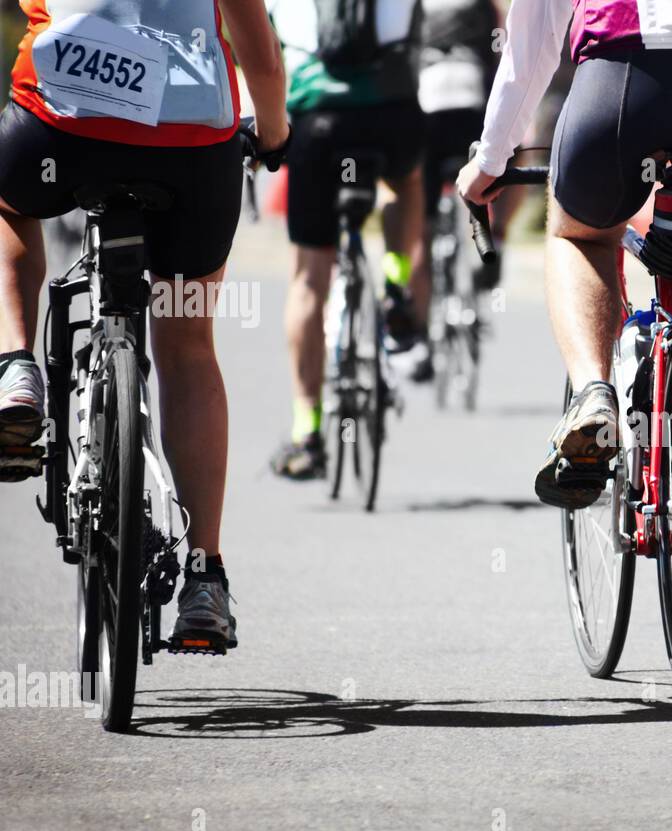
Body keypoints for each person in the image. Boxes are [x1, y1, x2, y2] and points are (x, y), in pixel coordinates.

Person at [457, 0, 672, 623]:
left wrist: (492, 161)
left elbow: (531, 46)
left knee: (580, 235)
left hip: (625, 71)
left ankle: (593, 394)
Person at [0, 0, 289, 650]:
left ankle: (16, 366)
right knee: (188, 346)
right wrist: (273, 136)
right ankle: (205, 574)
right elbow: (259, 52)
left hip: (60, 124)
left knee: (9, 202)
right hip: (191, 144)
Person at [267, 0, 426, 478]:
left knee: (309, 276)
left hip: (317, 124)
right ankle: (397, 283)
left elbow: (268, 51)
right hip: (391, 118)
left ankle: (306, 431)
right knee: (407, 181)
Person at [387, 0, 504, 378]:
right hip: (471, 104)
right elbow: (501, 55)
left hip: (428, 107)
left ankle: (418, 338)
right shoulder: (484, 6)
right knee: (499, 170)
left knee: (420, 225)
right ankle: (493, 237)